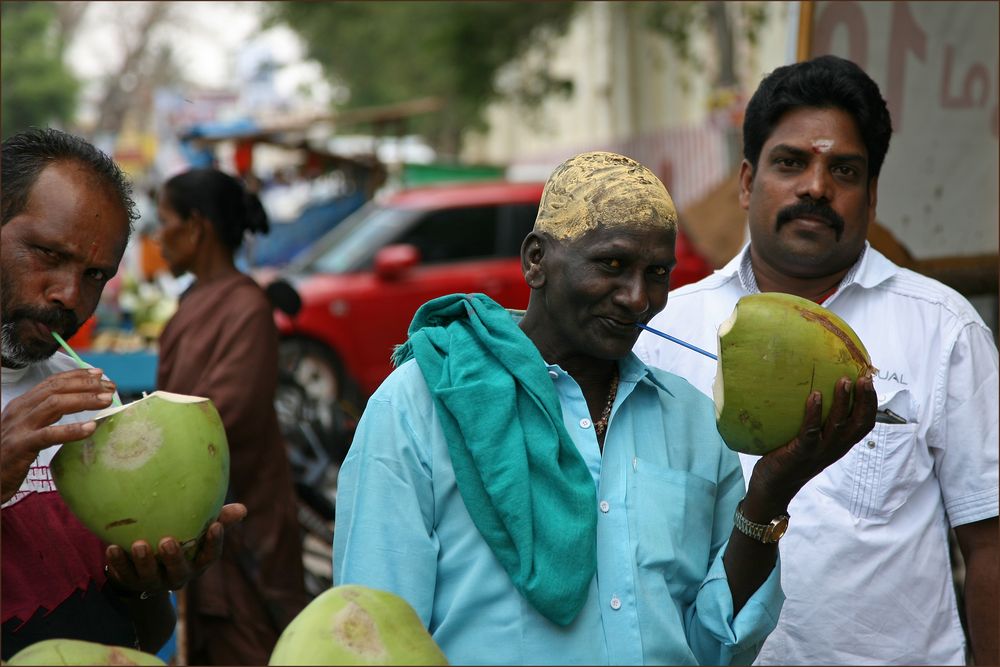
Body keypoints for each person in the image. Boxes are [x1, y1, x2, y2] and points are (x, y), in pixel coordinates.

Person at [333, 150, 877, 665]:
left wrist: (768, 497)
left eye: (658, 273)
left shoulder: (690, 421)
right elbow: (372, 634)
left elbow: (714, 649)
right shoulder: (420, 406)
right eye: (611, 264)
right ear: (537, 260)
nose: (638, 298)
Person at [634, 55, 999, 666]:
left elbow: (989, 545)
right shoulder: (666, 332)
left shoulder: (943, 327)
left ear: (872, 195)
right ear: (747, 181)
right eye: (790, 162)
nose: (816, 187)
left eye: (845, 170)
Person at [0, 128, 247, 660]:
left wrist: (144, 579)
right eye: (46, 253)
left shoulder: (90, 400)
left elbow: (142, 634)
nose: (69, 295)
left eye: (95, 274)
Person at [154, 168, 309, 665]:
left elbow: (225, 417)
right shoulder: (194, 301)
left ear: (196, 227)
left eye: (165, 223)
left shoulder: (246, 308)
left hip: (246, 523)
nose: (158, 239)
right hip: (201, 520)